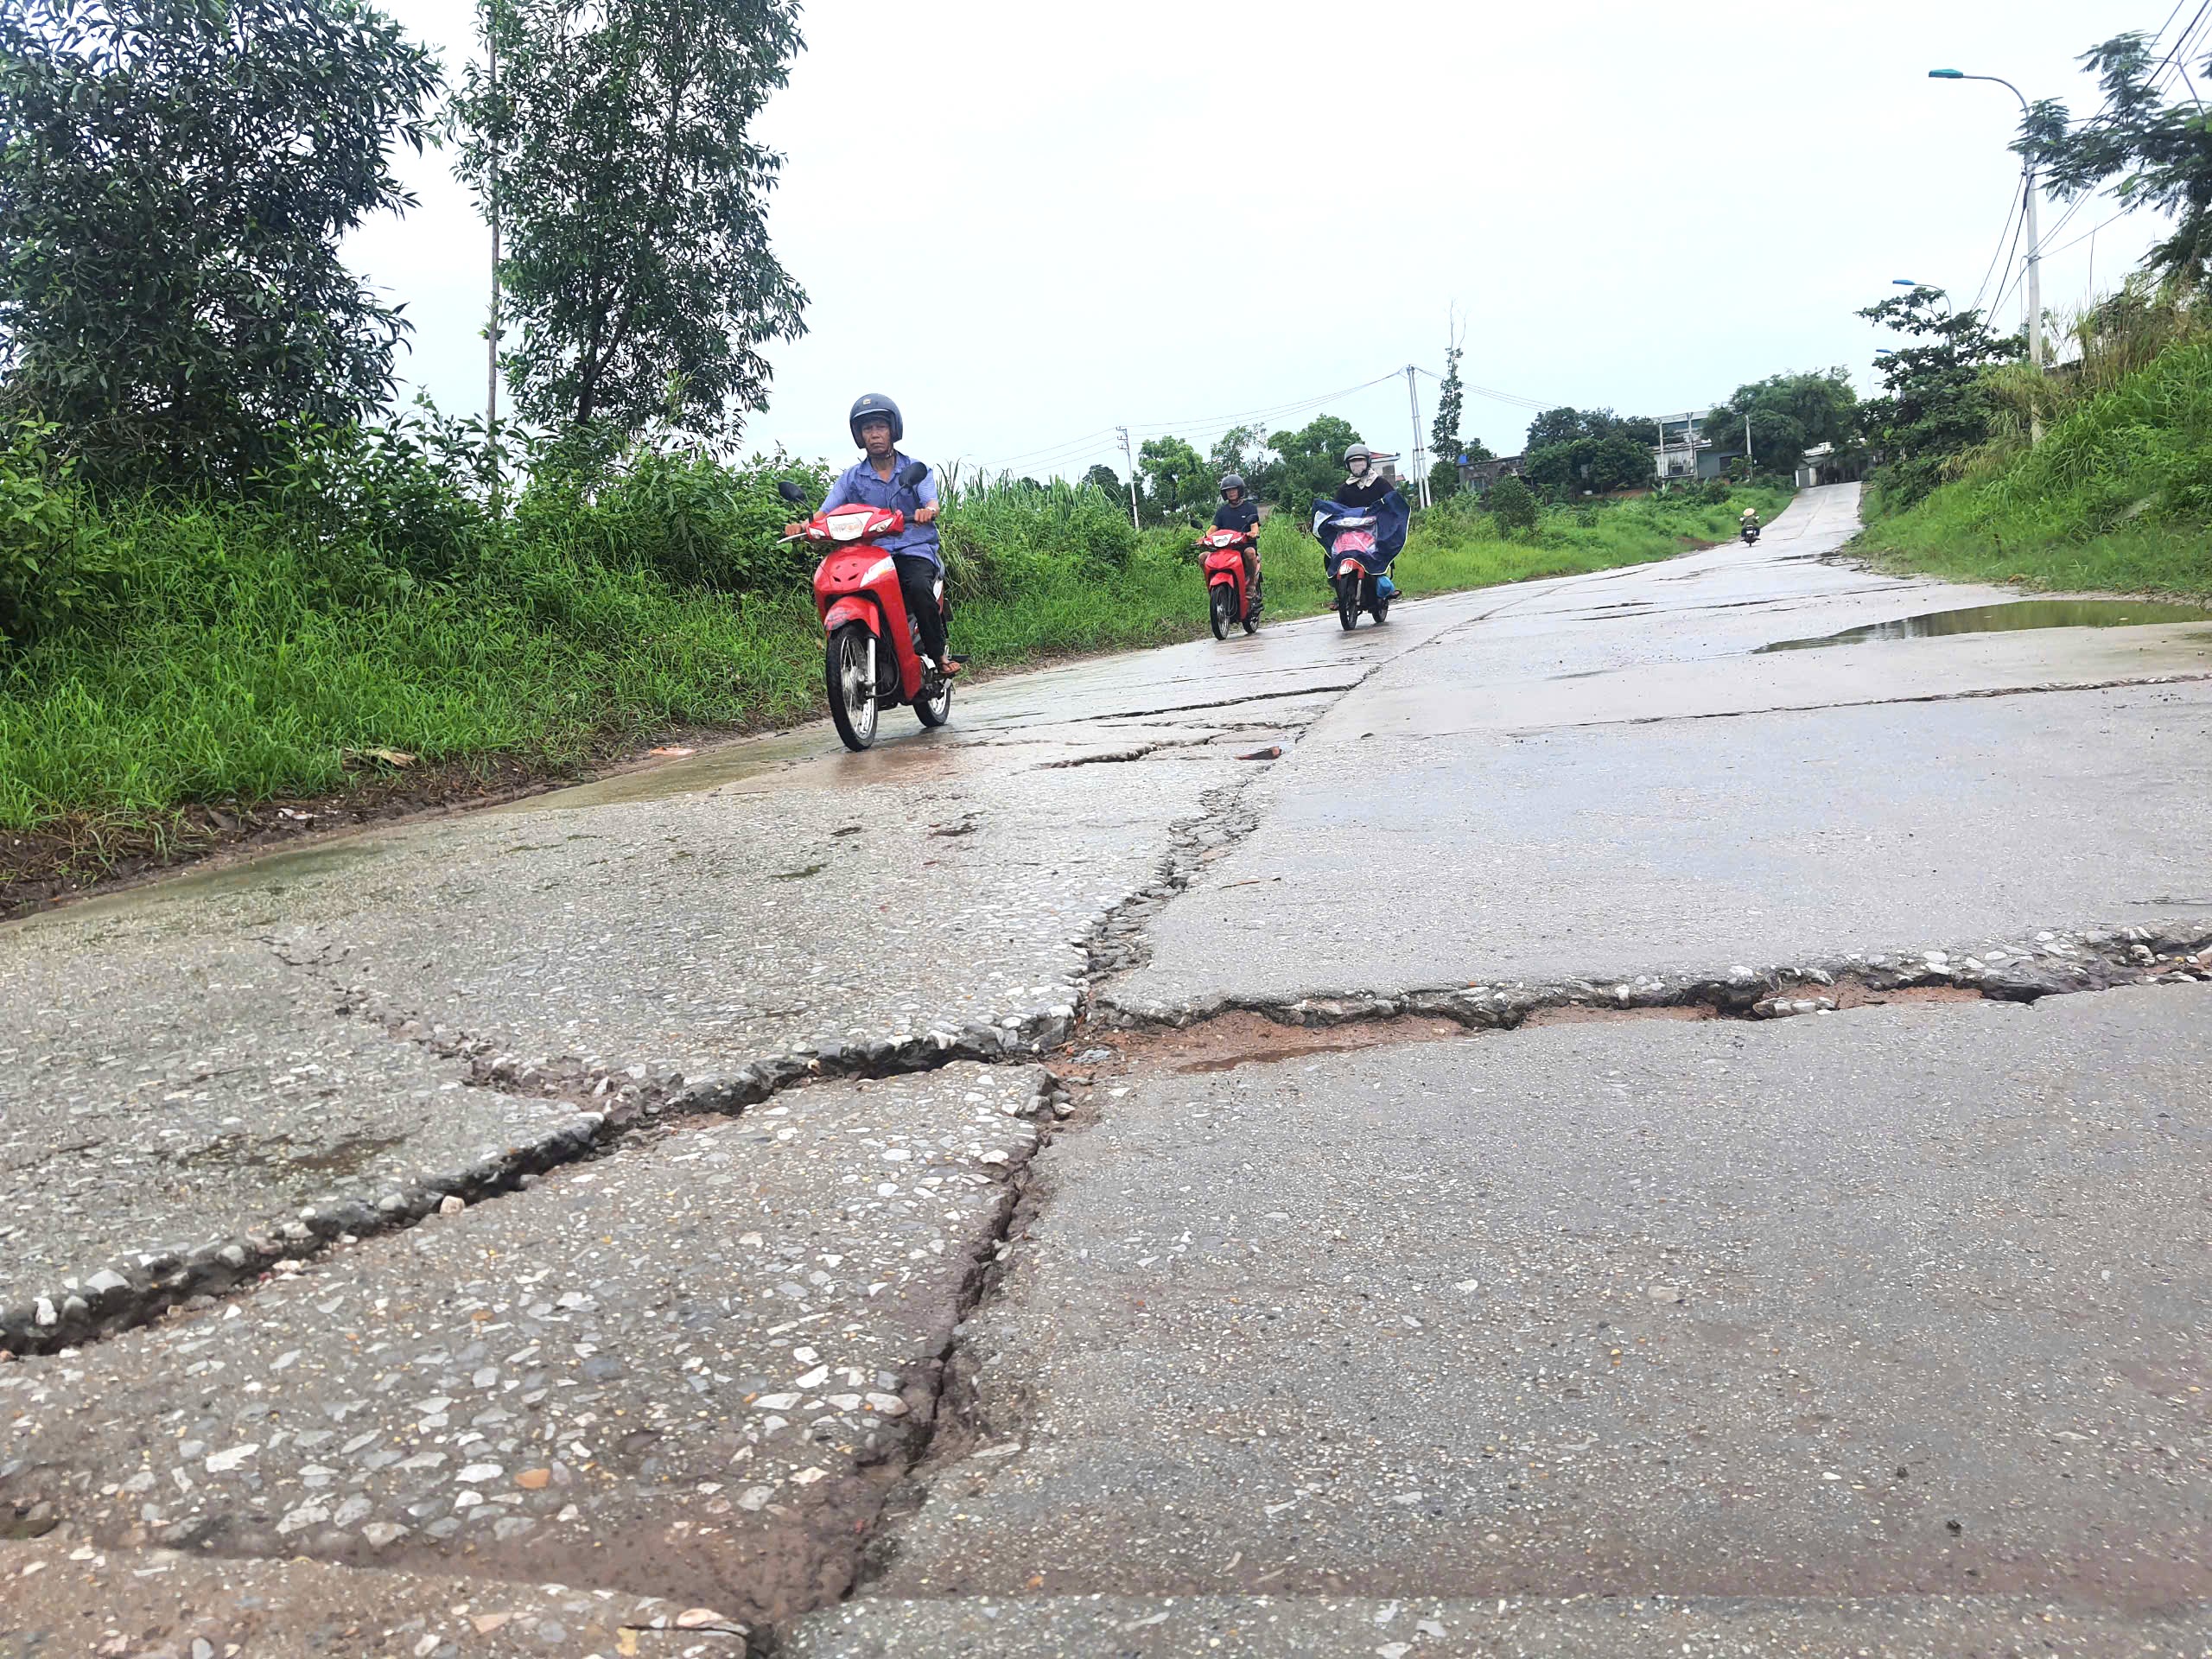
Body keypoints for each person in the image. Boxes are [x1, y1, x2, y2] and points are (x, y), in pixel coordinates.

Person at [822, 393, 961, 676]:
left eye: (880, 427)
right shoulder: (852, 477)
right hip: (872, 555)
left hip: (912, 550)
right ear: (859, 436)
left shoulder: (914, 469)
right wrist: (804, 526)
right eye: (867, 429)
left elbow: (930, 501)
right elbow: (826, 511)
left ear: (893, 430)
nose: (874, 435)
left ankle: (938, 654)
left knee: (919, 588)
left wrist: (928, 511)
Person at [1332, 443, 1403, 599]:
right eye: (1353, 462)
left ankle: (1383, 584)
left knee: (1382, 549)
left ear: (1367, 463)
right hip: (1351, 532)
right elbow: (1336, 508)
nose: (1357, 465)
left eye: (1360, 461)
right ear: (1348, 466)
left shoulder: (1379, 483)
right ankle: (1339, 594)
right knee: (1331, 554)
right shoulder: (1345, 488)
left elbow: (1392, 500)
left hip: (1374, 531)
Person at [1212, 474, 1262, 606]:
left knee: (1250, 553)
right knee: (1203, 557)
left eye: (1234, 489)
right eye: (1228, 490)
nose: (1231, 492)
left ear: (1240, 490)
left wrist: (1253, 533)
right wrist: (1203, 538)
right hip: (1226, 548)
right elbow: (1213, 528)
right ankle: (1213, 589)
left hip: (1245, 545)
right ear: (1224, 493)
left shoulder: (1250, 508)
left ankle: (1251, 584)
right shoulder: (1222, 511)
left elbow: (1254, 525)